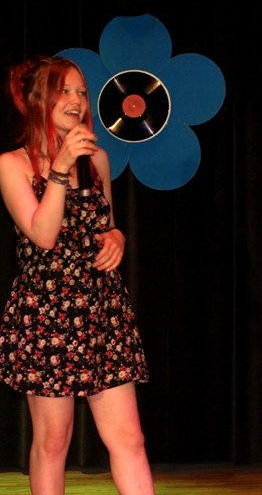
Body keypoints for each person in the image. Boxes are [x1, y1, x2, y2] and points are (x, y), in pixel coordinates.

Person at [0, 56, 155, 495]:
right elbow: (43, 235)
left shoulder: (97, 159)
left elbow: (104, 226)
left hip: (102, 312)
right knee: (53, 441)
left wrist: (117, 237)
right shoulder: (12, 164)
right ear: (38, 100)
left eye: (82, 92)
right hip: (47, 314)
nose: (77, 101)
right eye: (64, 91)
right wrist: (60, 168)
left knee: (129, 439)